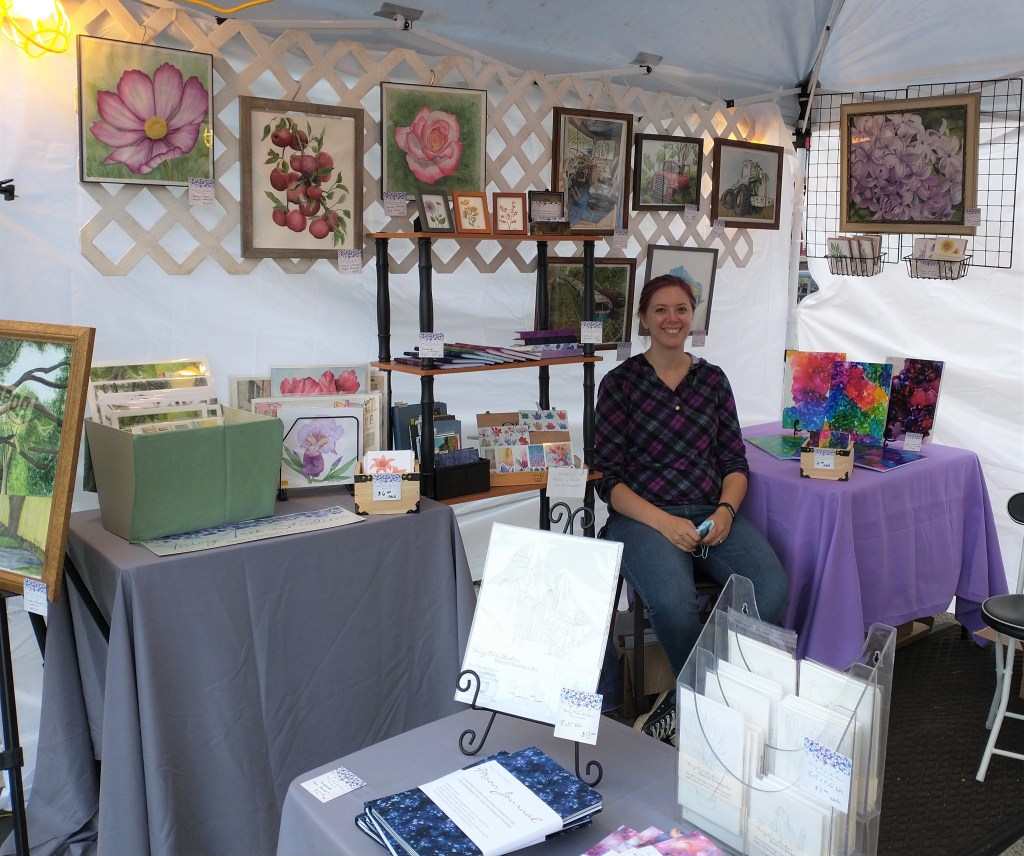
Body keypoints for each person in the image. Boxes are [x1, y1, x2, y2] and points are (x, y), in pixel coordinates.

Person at [594, 273, 789, 740]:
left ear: (693, 317)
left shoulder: (713, 381)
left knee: (770, 589)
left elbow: (734, 463)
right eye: (660, 309)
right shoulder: (620, 384)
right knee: (673, 603)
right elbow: (608, 481)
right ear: (643, 319)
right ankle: (709, 709)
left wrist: (725, 512)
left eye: (681, 309)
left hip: (709, 512)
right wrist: (664, 523)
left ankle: (693, 695)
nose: (672, 318)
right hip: (642, 518)